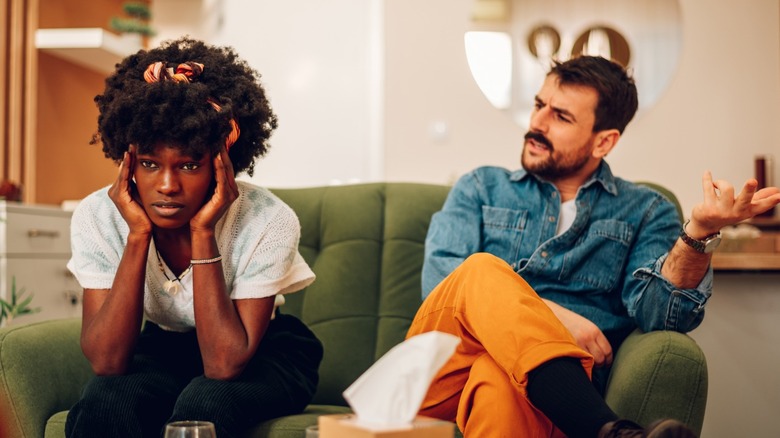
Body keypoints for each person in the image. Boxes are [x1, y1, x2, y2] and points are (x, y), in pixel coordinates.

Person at [406, 55, 780, 438]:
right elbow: (441, 284)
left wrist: (698, 234)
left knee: (499, 377)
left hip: (549, 393)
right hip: (446, 376)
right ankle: (605, 430)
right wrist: (554, 317)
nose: (537, 123)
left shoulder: (645, 210)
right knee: (479, 270)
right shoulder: (481, 187)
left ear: (604, 141)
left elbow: (663, 316)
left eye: (561, 117)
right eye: (539, 106)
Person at [65, 37, 323, 438]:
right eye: (150, 163)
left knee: (205, 405)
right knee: (106, 403)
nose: (167, 185)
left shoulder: (268, 220)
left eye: (188, 164)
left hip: (262, 352)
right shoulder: (98, 216)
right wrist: (137, 236)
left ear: (222, 162)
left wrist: (204, 232)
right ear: (127, 161)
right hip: (165, 346)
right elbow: (107, 362)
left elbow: (223, 365)